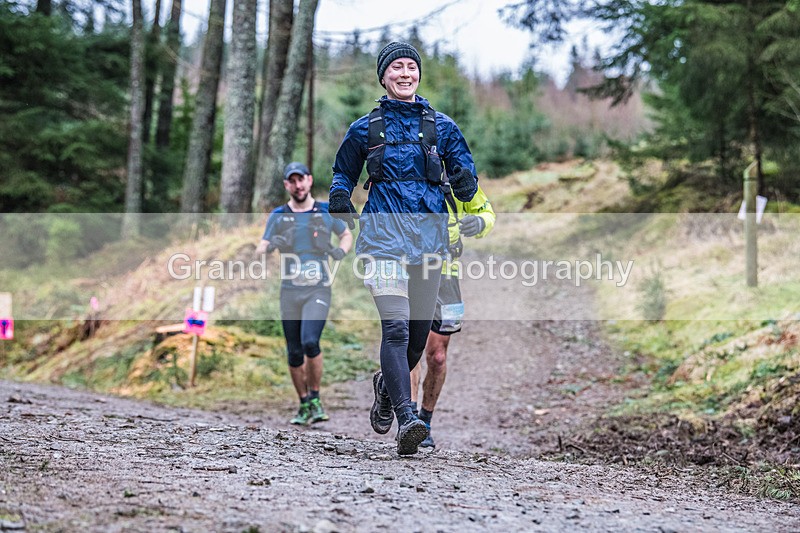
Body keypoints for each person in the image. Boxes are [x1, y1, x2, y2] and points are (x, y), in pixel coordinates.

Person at [328, 42, 479, 455]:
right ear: (384, 76)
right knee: (394, 327)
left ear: (419, 75)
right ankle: (407, 417)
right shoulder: (365, 128)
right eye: (397, 67)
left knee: (415, 337)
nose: (405, 73)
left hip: (429, 243)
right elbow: (342, 172)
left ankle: (384, 384)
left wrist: (466, 182)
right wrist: (340, 199)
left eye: (411, 66)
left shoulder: (441, 126)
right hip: (381, 239)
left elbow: (464, 165)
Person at [256, 162, 353, 426]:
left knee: (311, 342)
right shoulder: (278, 215)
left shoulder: (324, 211)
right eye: (292, 181)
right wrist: (272, 244)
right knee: (294, 351)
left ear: (309, 180)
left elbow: (346, 235)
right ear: (287, 185)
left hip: (318, 288)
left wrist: (340, 252)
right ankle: (303, 403)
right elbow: (260, 247)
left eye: (302, 180)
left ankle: (316, 397)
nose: (298, 186)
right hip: (289, 291)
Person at [410, 185, 496, 449]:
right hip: (412, 270)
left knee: (437, 356)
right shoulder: (407, 166)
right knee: (410, 348)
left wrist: (480, 221)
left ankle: (425, 419)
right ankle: (409, 420)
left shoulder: (455, 175)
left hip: (447, 276)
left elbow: (487, 212)